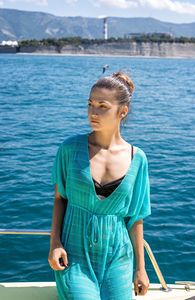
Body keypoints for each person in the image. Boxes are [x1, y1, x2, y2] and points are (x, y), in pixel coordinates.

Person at [48, 71, 151, 300]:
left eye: (102, 106)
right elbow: (59, 198)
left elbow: (135, 217)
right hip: (74, 254)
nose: (93, 112)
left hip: (118, 255)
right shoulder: (70, 149)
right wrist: (55, 242)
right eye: (90, 104)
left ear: (122, 112)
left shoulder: (138, 159)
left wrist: (140, 269)